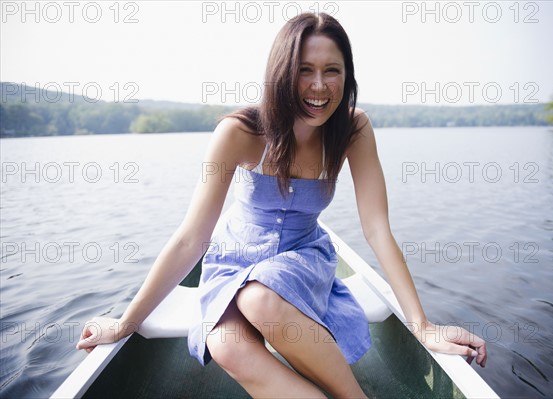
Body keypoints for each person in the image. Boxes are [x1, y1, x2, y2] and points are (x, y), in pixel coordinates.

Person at [76, 12, 487, 398]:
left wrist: (423, 326)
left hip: (302, 258)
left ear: (347, 75)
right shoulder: (239, 132)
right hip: (233, 259)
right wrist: (126, 322)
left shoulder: (353, 128)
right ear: (281, 73)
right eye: (304, 70)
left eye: (332, 71)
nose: (319, 86)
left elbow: (377, 228)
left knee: (259, 297)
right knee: (225, 345)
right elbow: (191, 238)